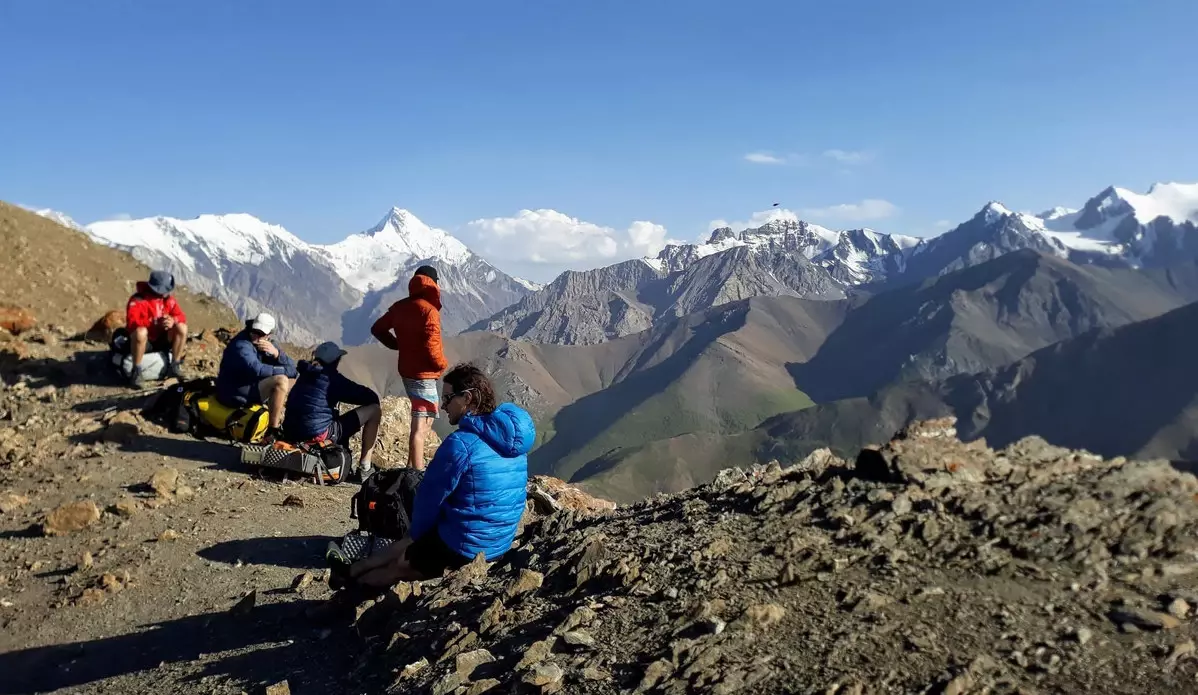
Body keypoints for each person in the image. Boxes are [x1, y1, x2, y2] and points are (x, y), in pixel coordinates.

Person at [329, 363, 533, 588]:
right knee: (410, 541)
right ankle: (351, 570)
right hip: (500, 542)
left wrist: (415, 535)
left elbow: (429, 498)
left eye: (447, 398)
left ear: (466, 398)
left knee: (400, 562)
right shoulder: (513, 442)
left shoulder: (461, 444)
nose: (443, 406)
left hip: (467, 545)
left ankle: (344, 600)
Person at [370, 265, 448, 471]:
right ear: (434, 284)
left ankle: (410, 466)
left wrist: (396, 344)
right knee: (421, 426)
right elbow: (432, 347)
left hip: (407, 371)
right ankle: (417, 473)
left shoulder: (399, 307)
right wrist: (442, 364)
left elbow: (377, 328)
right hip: (425, 374)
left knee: (421, 418)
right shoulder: (430, 311)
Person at [282, 341, 382, 480]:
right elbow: (369, 397)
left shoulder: (305, 373)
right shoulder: (331, 379)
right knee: (374, 410)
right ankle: (365, 468)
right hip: (315, 433)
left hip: (291, 431)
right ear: (335, 361)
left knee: (334, 415)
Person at [214, 312, 297, 435]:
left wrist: (277, 354)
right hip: (234, 392)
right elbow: (256, 369)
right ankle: (272, 432)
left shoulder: (267, 345)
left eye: (261, 334)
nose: (256, 337)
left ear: (268, 335)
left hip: (248, 386)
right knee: (281, 381)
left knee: (292, 382)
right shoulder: (241, 345)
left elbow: (293, 370)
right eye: (255, 331)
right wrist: (281, 371)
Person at [124, 270, 187, 385]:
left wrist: (173, 321)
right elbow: (132, 322)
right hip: (145, 342)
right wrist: (154, 323)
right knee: (140, 332)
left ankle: (174, 366)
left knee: (182, 328)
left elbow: (181, 316)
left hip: (162, 338)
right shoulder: (138, 300)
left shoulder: (168, 300)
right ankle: (136, 371)